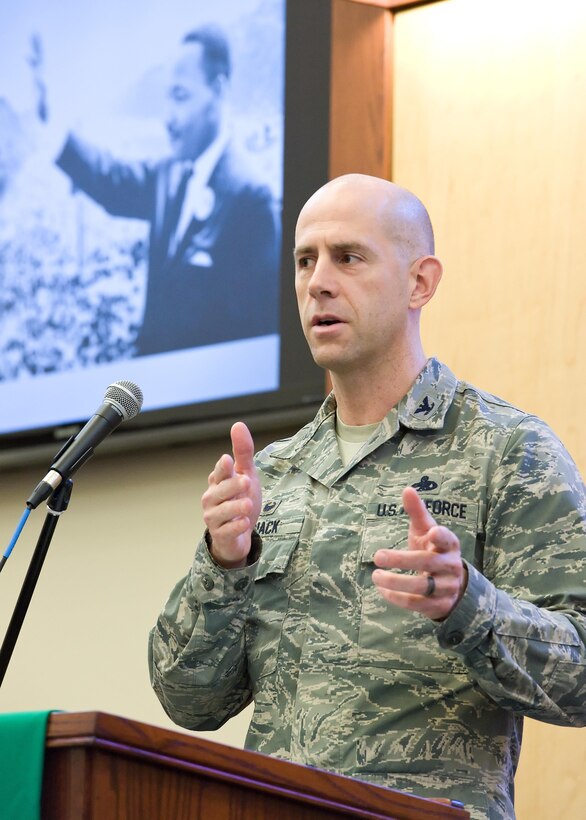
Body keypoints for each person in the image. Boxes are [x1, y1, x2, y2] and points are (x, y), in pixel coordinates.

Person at [148, 174, 586, 819]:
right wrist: (224, 565)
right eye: (305, 260)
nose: (318, 282)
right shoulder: (272, 474)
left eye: (348, 257)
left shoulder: (507, 452)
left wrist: (467, 603)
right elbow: (190, 702)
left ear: (420, 282)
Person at [56, 25, 279, 357]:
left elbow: (257, 335)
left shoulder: (251, 199)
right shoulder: (169, 172)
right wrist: (56, 137)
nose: (168, 118)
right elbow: (112, 180)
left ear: (218, 91)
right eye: (167, 97)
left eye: (181, 96)